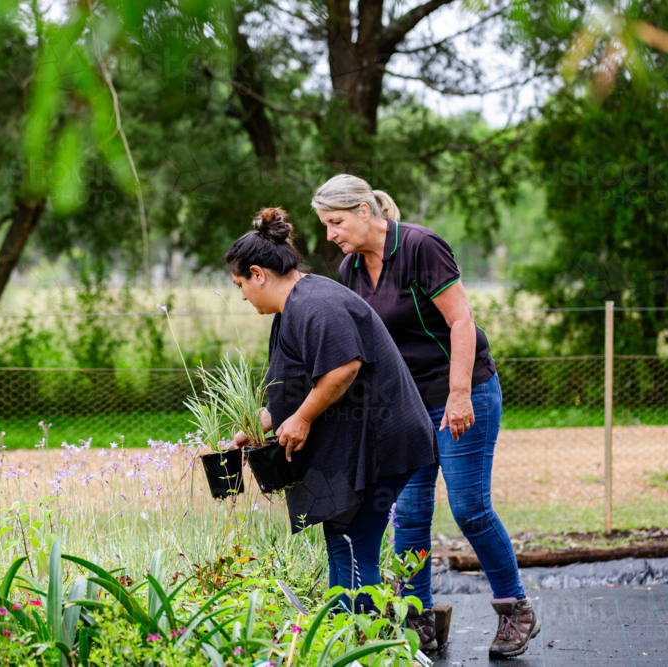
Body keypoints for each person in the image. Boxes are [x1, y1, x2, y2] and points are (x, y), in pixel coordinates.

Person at [312, 174, 539, 659]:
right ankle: (418, 620)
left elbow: (462, 320)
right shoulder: (350, 268)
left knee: (469, 507)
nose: (330, 234)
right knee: (410, 514)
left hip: (464, 391)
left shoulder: (419, 247)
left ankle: (515, 609)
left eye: (335, 222)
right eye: (325, 225)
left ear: (364, 211)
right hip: (408, 407)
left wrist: (460, 395)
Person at [226, 207, 438, 614]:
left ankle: (367, 646)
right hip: (363, 443)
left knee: (355, 547)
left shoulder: (316, 304)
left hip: (384, 443)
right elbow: (300, 388)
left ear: (258, 274)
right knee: (343, 543)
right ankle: (347, 639)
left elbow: (343, 369)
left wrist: (303, 419)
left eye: (240, 285)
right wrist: (257, 426)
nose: (242, 296)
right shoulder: (295, 307)